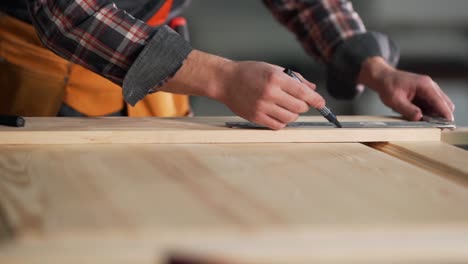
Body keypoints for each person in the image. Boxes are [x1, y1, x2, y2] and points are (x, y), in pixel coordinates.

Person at [0, 0, 455, 130]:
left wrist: (373, 67)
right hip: (36, 80)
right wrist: (223, 77)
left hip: (163, 91)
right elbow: (67, 14)